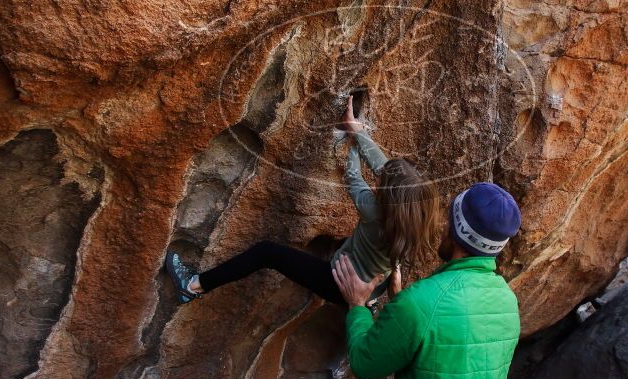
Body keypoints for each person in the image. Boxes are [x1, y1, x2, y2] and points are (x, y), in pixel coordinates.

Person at [165, 95, 440, 308]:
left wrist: (353, 141)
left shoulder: (372, 211)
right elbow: (389, 174)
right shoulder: (417, 217)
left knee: (266, 253)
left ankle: (192, 286)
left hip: (338, 283)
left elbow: (353, 175)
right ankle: (368, 302)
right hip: (372, 287)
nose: (379, 177)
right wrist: (357, 131)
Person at [333, 182, 522, 379]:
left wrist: (357, 306)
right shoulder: (506, 299)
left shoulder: (421, 303)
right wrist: (400, 305)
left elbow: (364, 362)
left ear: (456, 232)